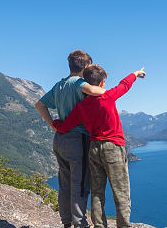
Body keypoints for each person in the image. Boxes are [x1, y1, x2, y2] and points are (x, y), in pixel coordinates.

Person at [52, 64, 146, 228]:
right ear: (102, 83)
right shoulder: (108, 96)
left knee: (97, 192)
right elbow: (124, 85)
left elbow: (65, 126)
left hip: (94, 148)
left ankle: (99, 225)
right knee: (121, 191)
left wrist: (55, 123)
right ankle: (123, 225)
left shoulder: (81, 106)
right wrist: (136, 73)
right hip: (113, 148)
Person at [35, 50, 106, 228]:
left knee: (65, 183)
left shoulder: (60, 85)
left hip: (60, 139)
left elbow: (39, 104)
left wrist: (52, 125)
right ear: (86, 66)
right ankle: (80, 224)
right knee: (80, 185)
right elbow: (97, 91)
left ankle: (66, 221)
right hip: (78, 140)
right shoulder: (79, 83)